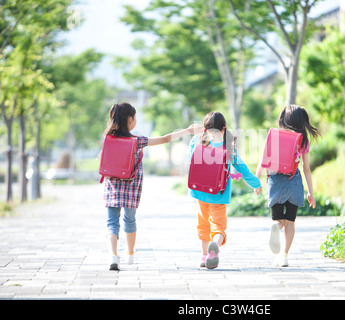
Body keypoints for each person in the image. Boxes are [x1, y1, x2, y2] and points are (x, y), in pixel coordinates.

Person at [102, 102, 197, 271]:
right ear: (130, 120)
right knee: (129, 220)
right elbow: (166, 138)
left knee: (112, 223)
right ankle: (130, 254)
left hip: (113, 187)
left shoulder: (108, 139)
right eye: (135, 117)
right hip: (131, 189)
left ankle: (113, 256)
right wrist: (187, 130)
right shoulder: (137, 141)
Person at [188, 111, 262, 269]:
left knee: (203, 224)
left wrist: (196, 136)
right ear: (224, 128)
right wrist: (256, 184)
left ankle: (203, 256)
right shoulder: (228, 147)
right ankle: (215, 245)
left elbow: (190, 157)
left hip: (199, 192)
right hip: (219, 195)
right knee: (218, 226)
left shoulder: (197, 141)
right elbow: (243, 169)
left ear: (205, 129)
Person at [256, 105, 319, 267]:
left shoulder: (274, 136)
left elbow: (263, 159)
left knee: (279, 220)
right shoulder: (302, 139)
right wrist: (310, 192)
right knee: (290, 221)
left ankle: (275, 226)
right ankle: (284, 256)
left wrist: (257, 181)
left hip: (275, 182)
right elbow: (306, 168)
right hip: (294, 182)